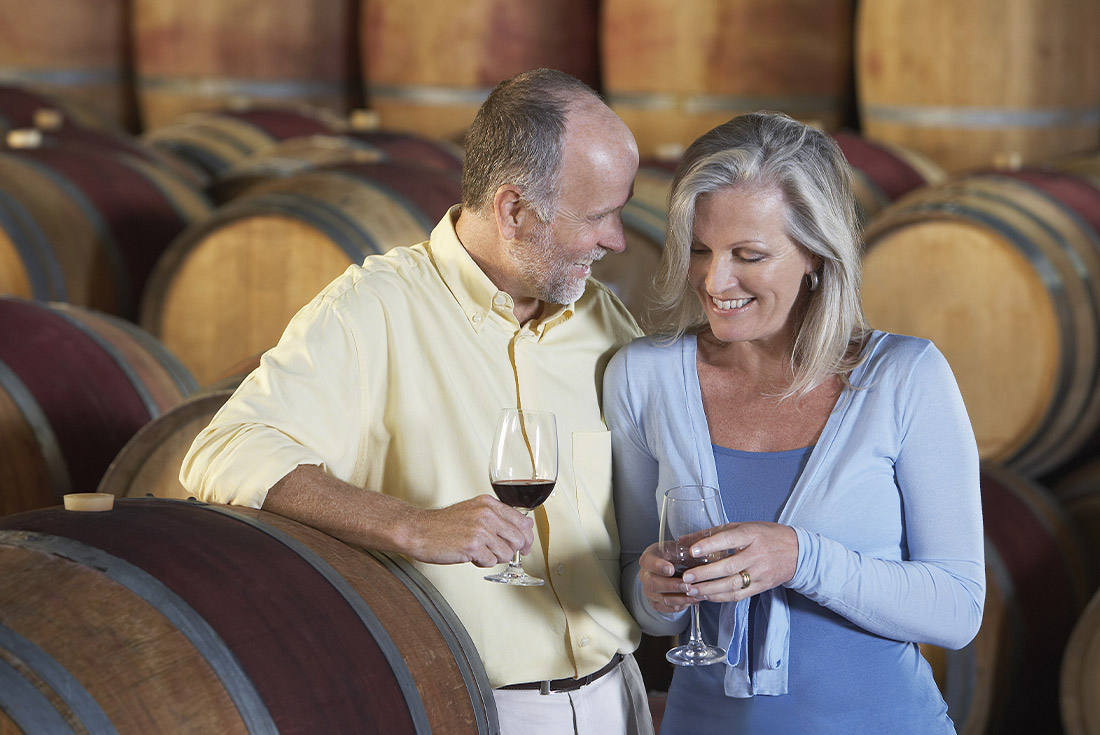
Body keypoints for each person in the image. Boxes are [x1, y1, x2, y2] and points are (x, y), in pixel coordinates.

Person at [181, 68, 654, 735]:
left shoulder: (604, 322)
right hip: (472, 708)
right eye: (598, 215)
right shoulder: (371, 311)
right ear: (514, 209)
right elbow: (227, 450)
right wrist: (408, 524)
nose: (618, 240)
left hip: (614, 698)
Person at [603, 112, 985, 733]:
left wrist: (801, 558)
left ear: (815, 252)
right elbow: (639, 596)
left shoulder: (906, 377)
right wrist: (652, 591)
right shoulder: (643, 376)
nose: (714, 279)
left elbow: (958, 610)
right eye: (700, 249)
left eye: (748, 254)